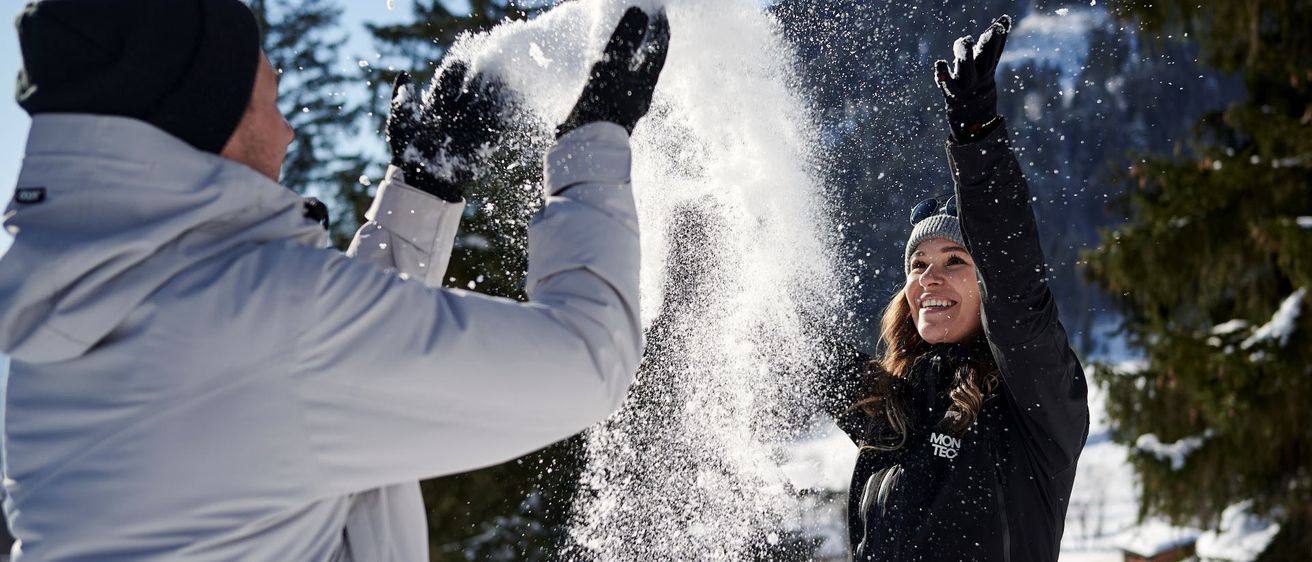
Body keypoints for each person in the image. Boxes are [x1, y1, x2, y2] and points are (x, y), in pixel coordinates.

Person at [0, 1, 668, 560]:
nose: (288, 131)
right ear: (211, 114)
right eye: (269, 97)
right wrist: (595, 138)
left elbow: (301, 382)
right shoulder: (262, 324)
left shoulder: (68, 327)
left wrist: (426, 187)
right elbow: (590, 356)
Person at [828, 16, 1090, 561]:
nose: (930, 277)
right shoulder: (896, 409)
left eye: (954, 260)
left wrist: (976, 137)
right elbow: (791, 347)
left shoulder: (1030, 403)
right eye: (918, 264)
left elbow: (1016, 290)